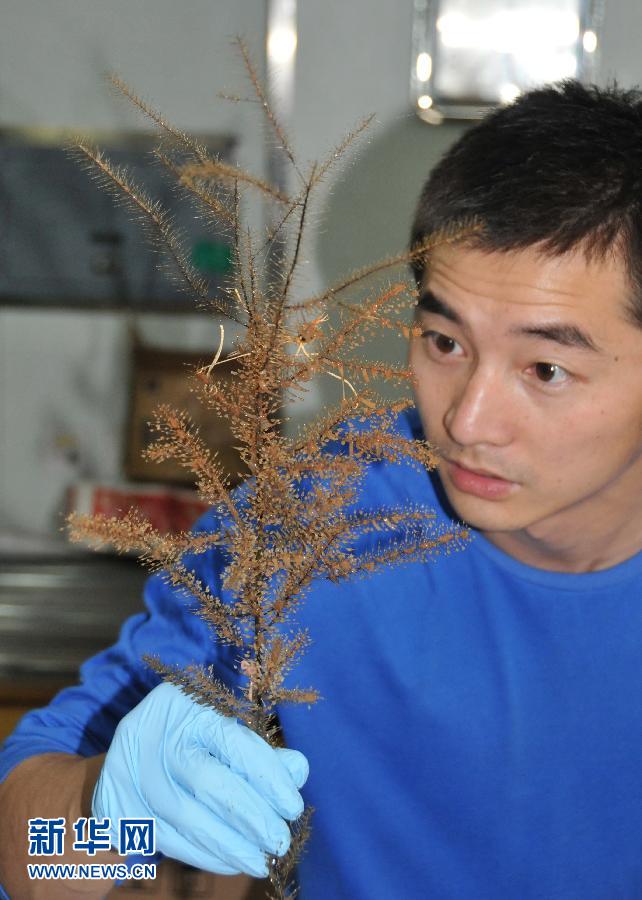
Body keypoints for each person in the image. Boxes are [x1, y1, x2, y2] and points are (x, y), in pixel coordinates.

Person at [3, 78, 642, 899]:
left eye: (546, 368)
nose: (468, 419)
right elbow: (28, 859)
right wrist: (109, 814)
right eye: (444, 340)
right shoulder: (312, 524)